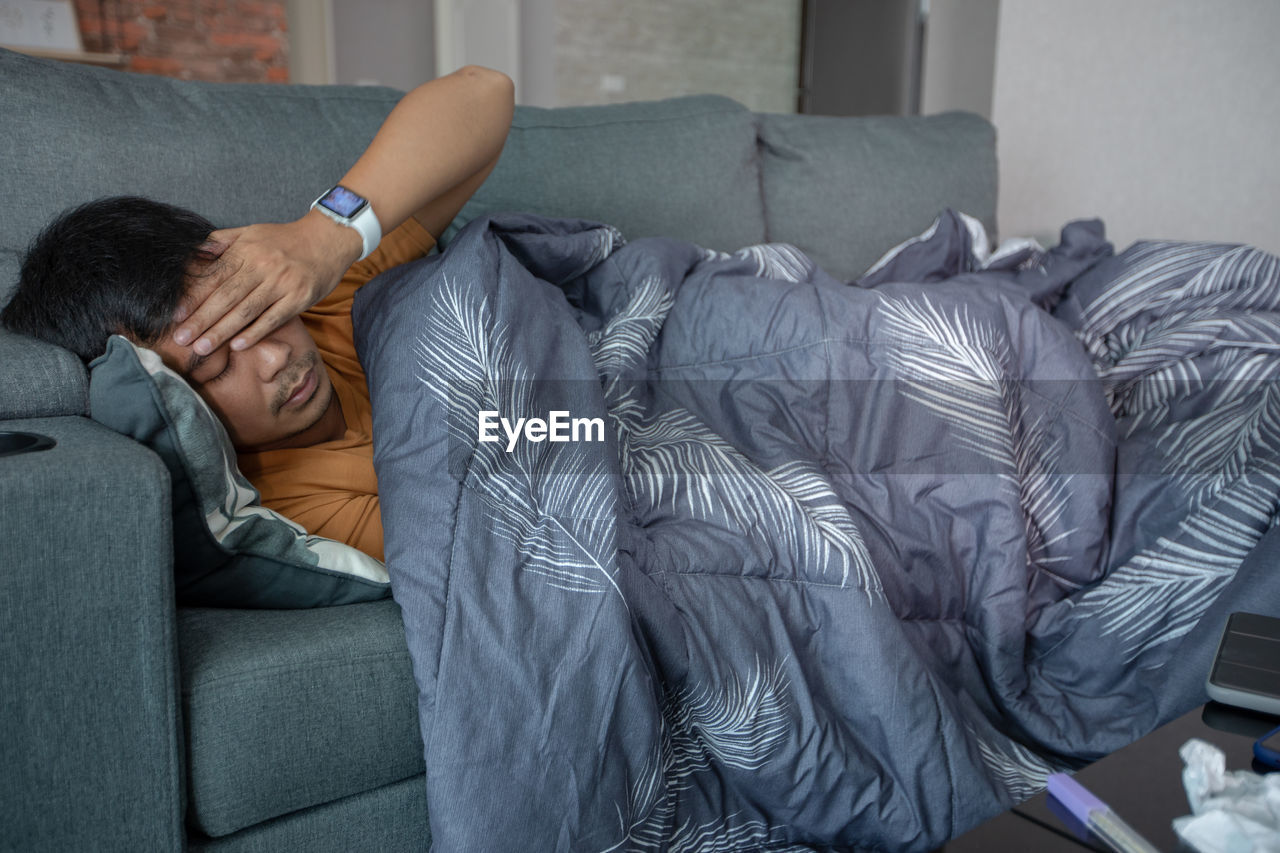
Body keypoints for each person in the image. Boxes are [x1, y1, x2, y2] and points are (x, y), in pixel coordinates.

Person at [1, 65, 515, 561]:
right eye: (217, 365)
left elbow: (484, 91)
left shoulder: (327, 295)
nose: (275, 357)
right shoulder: (292, 503)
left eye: (257, 310)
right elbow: (531, 533)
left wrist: (326, 235)